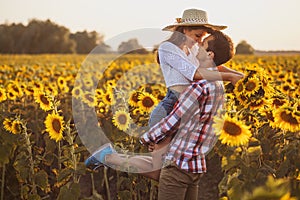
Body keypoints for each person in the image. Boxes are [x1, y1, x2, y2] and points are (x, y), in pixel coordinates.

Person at [85, 29, 233, 191]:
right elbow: (195, 74)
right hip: (168, 112)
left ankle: (110, 156)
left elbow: (214, 64)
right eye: (198, 36)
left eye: (202, 39)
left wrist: (235, 73)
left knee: (167, 169)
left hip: (178, 113)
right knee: (161, 171)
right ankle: (109, 157)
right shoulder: (169, 49)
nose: (199, 42)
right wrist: (229, 77)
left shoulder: (192, 52)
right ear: (185, 31)